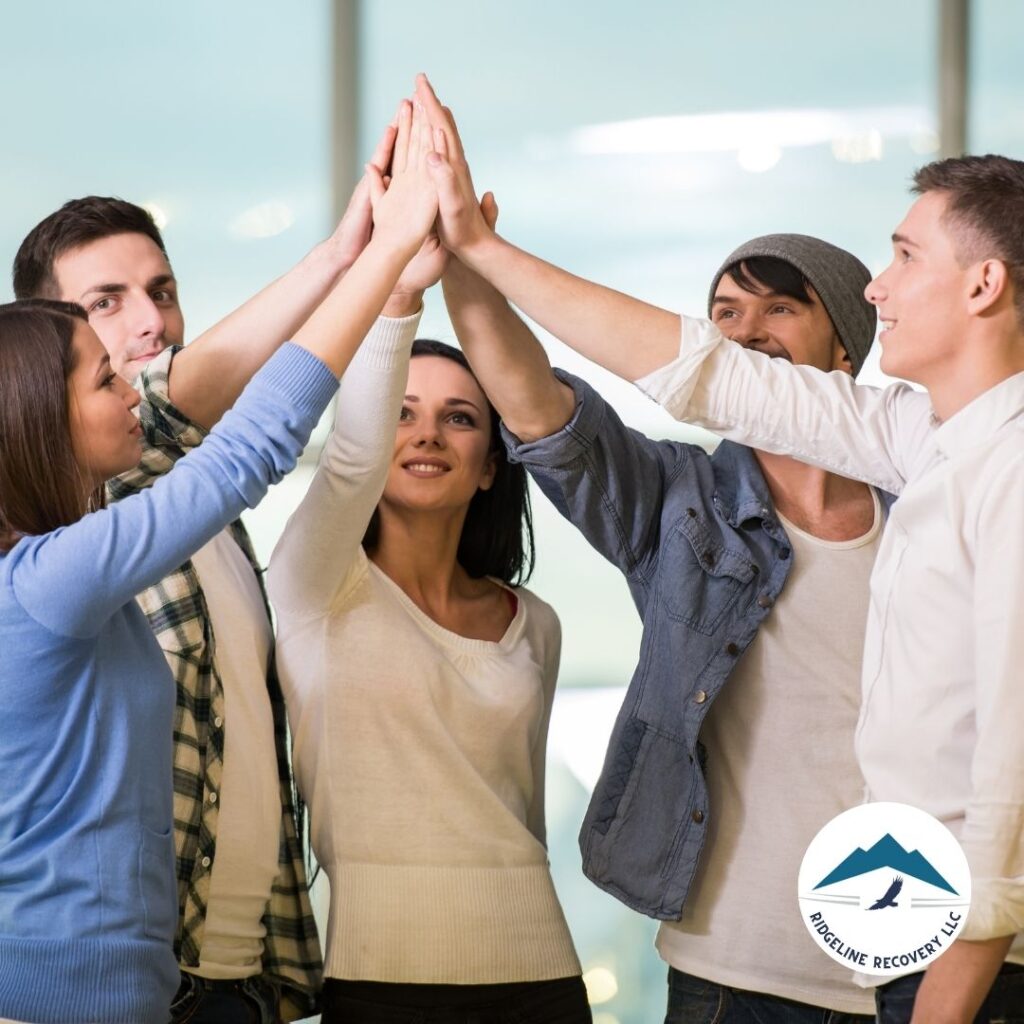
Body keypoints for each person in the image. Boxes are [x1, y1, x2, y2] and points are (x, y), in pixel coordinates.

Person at [417, 76, 1024, 1024]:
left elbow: (1006, 773)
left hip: (946, 961)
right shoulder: (917, 446)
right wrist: (476, 254)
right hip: (768, 966)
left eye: (904, 256)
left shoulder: (969, 467)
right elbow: (688, 375)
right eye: (726, 312)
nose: (881, 280)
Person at [0, 103, 439, 1024]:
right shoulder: (54, 577)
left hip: (157, 988)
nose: (144, 358)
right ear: (39, 410)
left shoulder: (76, 550)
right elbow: (247, 443)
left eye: (159, 292)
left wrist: (355, 255)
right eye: (103, 368)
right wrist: (378, 257)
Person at [442, 190, 883, 1020]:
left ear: (846, 348)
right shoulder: (681, 503)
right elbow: (533, 404)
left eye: (780, 307)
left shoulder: (924, 511)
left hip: (910, 964)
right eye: (725, 313)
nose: (747, 332)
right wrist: (468, 260)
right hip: (734, 970)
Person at [267, 194, 590, 1024]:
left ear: (489, 465)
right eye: (402, 415)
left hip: (541, 976)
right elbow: (345, 465)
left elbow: (523, 816)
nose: (427, 436)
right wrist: (402, 295)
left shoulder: (535, 623)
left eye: (458, 419)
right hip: (376, 975)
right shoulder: (311, 588)